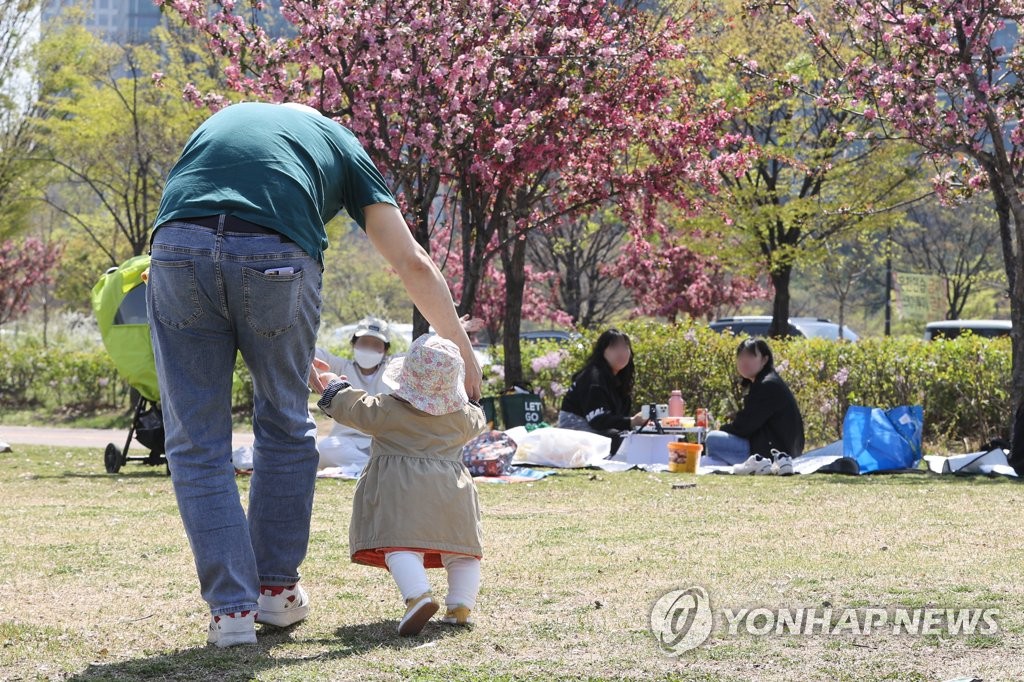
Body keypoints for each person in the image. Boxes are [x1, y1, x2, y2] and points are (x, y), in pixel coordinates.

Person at [147, 101, 482, 648]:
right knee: (282, 423)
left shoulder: (219, 122)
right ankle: (275, 593)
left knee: (194, 439)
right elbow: (412, 262)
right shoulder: (341, 142)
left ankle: (231, 614)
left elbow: (196, 208)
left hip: (177, 248)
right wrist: (464, 355)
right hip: (275, 255)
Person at [311, 334, 487, 636]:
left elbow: (352, 407)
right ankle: (460, 604)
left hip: (402, 492)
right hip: (453, 494)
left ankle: (418, 595)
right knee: (462, 551)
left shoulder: (389, 411)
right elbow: (478, 417)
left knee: (401, 546)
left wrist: (329, 383)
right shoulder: (462, 417)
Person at [704, 338, 804, 475]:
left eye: (750, 356)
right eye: (741, 357)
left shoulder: (767, 385)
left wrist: (723, 429)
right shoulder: (766, 381)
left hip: (772, 454)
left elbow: (744, 426)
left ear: (764, 359)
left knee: (712, 439)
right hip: (779, 449)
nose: (744, 361)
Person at [314, 317, 396, 472]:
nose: (368, 348)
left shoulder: (394, 368)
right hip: (347, 442)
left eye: (376, 344)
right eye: (364, 342)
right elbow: (313, 354)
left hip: (384, 442)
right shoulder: (341, 367)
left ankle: (369, 467)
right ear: (354, 344)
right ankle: (373, 467)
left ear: (385, 349)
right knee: (325, 448)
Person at [558, 328, 647, 454]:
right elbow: (597, 420)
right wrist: (631, 422)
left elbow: (617, 419)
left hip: (600, 430)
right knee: (622, 440)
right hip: (576, 432)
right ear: (602, 352)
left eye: (625, 347)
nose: (621, 352)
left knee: (639, 437)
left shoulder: (620, 380)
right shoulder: (592, 377)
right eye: (614, 347)